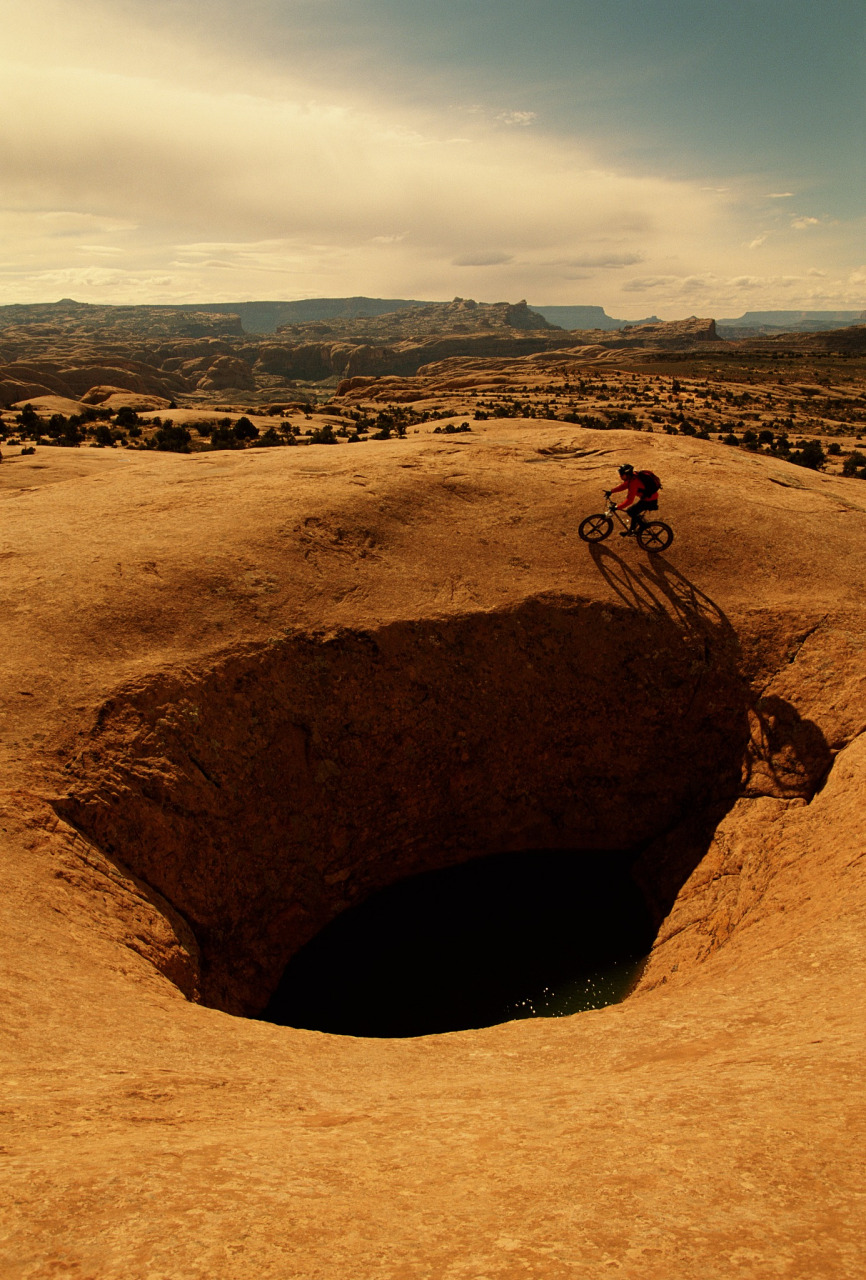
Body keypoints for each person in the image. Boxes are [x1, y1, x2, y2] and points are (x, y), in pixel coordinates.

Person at [605, 463, 661, 536]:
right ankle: (631, 530)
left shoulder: (634, 483)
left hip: (650, 500)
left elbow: (629, 500)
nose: (620, 476)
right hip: (648, 498)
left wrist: (617, 507)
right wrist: (611, 491)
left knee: (631, 511)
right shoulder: (633, 477)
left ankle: (643, 526)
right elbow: (623, 486)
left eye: (622, 474)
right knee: (634, 511)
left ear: (627, 474)